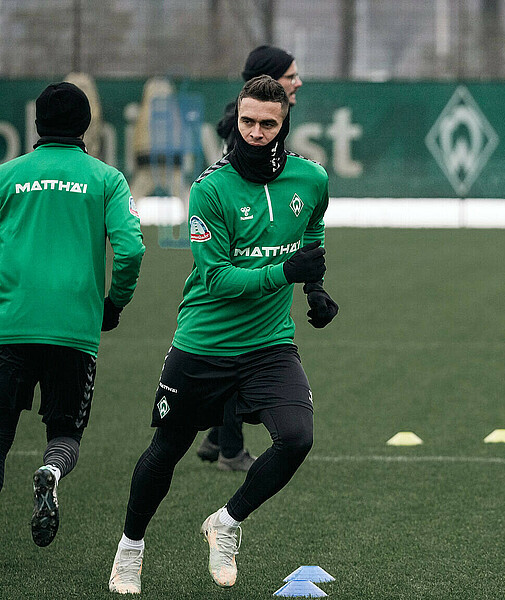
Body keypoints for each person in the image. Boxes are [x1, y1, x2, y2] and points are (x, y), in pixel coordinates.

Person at [108, 75, 338, 594]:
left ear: (284, 125)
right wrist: (287, 273)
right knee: (166, 450)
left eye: (267, 124)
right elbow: (218, 279)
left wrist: (315, 289)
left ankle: (226, 523)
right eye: (247, 121)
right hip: (203, 344)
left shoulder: (311, 179)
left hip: (269, 344)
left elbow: (314, 232)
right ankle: (130, 547)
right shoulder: (210, 189)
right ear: (236, 119)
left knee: (297, 437)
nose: (255, 132)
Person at [0, 82, 144, 547]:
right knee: (65, 432)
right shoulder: (106, 179)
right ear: (87, 127)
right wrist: (114, 303)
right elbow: (131, 250)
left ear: (36, 124)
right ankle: (50, 470)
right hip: (74, 332)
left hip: (10, 326)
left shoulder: (7, 176)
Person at [197, 44, 304, 471]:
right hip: (236, 270)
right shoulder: (246, 136)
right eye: (291, 75)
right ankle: (228, 448)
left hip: (259, 273)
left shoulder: (274, 130)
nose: (298, 82)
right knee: (234, 359)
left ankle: (217, 439)